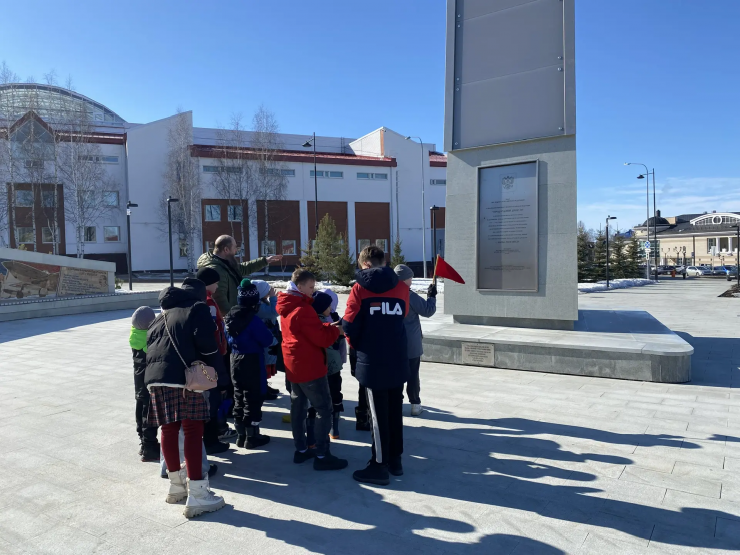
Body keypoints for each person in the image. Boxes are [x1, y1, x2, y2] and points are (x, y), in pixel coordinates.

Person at [145, 278, 225, 518]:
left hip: (156, 379)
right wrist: (218, 374)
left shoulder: (160, 316)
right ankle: (198, 493)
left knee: (168, 430)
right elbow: (208, 345)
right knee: (192, 431)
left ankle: (176, 486)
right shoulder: (197, 308)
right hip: (185, 379)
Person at [343, 245, 410, 486]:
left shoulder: (359, 288)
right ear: (384, 262)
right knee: (394, 410)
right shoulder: (401, 287)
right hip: (397, 357)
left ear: (365, 264)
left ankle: (379, 465)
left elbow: (349, 325)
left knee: (377, 415)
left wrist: (357, 346)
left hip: (372, 360)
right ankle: (395, 460)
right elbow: (403, 316)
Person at [276, 269, 348, 471]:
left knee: (298, 408)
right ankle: (322, 454)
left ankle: (301, 449)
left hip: (294, 365)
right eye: (310, 287)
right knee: (324, 409)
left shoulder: (288, 306)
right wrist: (336, 331)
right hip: (309, 366)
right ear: (299, 286)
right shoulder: (303, 309)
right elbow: (320, 338)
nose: (312, 291)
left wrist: (328, 327)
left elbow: (308, 332)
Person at [224, 279, 275, 449]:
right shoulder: (252, 320)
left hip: (234, 359)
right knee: (254, 397)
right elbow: (267, 340)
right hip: (252, 360)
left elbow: (226, 338)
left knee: (238, 395)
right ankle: (252, 436)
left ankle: (241, 435)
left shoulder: (230, 316)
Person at [194, 267, 233, 453]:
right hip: (213, 356)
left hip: (210, 355)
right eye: (216, 283)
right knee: (213, 398)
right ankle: (213, 437)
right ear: (208, 283)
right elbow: (212, 331)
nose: (217, 286)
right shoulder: (208, 302)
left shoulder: (205, 299)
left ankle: (214, 433)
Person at [196, 234, 283, 316]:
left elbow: (243, 268)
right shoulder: (217, 270)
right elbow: (220, 300)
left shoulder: (222, 262)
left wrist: (265, 261)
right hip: (230, 316)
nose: (236, 250)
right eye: (234, 247)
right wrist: (232, 319)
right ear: (226, 250)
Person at [393, 265, 437, 416]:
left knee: (396, 375)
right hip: (410, 343)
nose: (411, 281)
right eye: (410, 278)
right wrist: (431, 296)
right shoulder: (409, 295)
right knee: (412, 375)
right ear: (405, 279)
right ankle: (415, 404)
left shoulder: (388, 293)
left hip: (393, 343)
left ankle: (395, 404)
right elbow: (428, 310)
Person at [314, 289, 347, 439]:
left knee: (327, 394)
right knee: (333, 393)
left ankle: (331, 426)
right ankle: (333, 427)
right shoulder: (320, 323)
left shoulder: (326, 319)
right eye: (328, 306)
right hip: (330, 365)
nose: (331, 308)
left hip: (325, 365)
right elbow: (336, 337)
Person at [130, 306, 160, 462]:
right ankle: (149, 447)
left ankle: (143, 442)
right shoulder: (150, 339)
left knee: (140, 408)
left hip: (138, 382)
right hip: (149, 382)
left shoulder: (134, 335)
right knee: (149, 414)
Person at [252, 279, 281, 400]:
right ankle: (262, 389)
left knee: (266, 364)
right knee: (263, 365)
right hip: (265, 341)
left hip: (269, 338)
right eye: (267, 290)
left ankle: (265, 386)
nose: (270, 292)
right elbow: (275, 312)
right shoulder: (259, 306)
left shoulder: (261, 302)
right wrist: (274, 298)